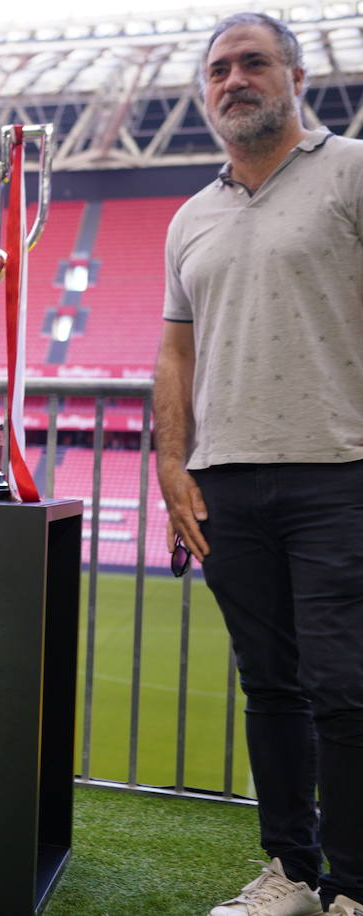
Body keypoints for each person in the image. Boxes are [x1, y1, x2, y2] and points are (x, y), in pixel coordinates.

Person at [155, 12, 363, 916]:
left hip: (339, 471)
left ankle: (355, 887)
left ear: (295, 74)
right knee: (270, 686)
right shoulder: (190, 216)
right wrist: (172, 468)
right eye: (217, 70)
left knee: (344, 687)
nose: (233, 80)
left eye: (252, 63)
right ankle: (294, 872)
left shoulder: (352, 171)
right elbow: (174, 356)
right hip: (226, 482)